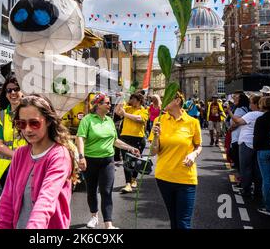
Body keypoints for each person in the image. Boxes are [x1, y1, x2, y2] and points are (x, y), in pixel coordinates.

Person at [0, 95, 78, 229]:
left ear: (49, 121)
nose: (27, 129)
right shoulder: (20, 154)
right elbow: (6, 202)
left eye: (34, 123)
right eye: (21, 123)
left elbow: (45, 202)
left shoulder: (59, 155)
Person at [76, 93, 140, 229]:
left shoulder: (109, 121)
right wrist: (81, 157)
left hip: (107, 161)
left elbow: (115, 141)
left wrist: (130, 148)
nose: (109, 105)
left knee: (106, 191)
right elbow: (80, 138)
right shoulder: (87, 120)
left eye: (109, 103)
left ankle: (108, 224)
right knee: (92, 190)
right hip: (90, 160)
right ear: (98, 105)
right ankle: (94, 217)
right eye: (107, 103)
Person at [149, 90, 202, 229]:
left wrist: (193, 155)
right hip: (164, 177)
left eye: (166, 98)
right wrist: (155, 137)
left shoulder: (193, 122)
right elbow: (153, 152)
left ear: (177, 101)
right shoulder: (159, 120)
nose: (162, 101)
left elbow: (198, 146)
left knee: (183, 223)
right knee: (174, 221)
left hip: (186, 179)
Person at [0, 76, 27, 188]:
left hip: (27, 166)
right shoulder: (1, 115)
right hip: (6, 169)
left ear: (23, 91)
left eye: (16, 89)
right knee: (8, 204)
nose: (13, 92)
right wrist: (17, 156)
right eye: (9, 90)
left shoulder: (30, 113)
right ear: (6, 94)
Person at [114, 92, 149, 193]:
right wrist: (121, 98)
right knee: (127, 161)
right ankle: (128, 183)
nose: (131, 101)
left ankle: (134, 178)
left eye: (133, 99)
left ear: (139, 101)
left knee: (136, 160)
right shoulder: (128, 108)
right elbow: (117, 112)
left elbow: (139, 119)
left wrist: (125, 114)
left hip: (138, 138)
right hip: (125, 137)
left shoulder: (144, 110)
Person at [230, 95, 263, 198]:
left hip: (246, 143)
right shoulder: (263, 114)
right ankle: (258, 191)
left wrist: (229, 112)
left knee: (246, 168)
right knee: (257, 169)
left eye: (251, 102)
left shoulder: (251, 114)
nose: (249, 104)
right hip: (257, 143)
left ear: (255, 104)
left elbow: (238, 121)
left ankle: (246, 190)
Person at [226, 91, 250, 171]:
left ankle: (242, 181)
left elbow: (236, 122)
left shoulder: (239, 109)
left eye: (236, 97)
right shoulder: (245, 108)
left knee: (237, 160)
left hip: (237, 137)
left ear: (241, 99)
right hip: (239, 136)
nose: (234, 99)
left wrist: (229, 112)